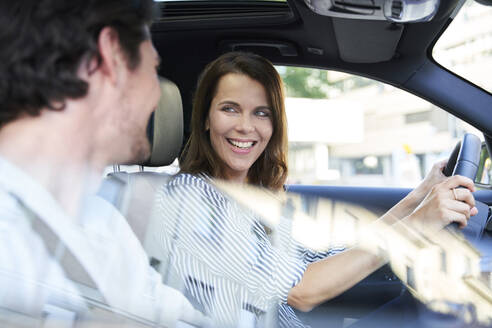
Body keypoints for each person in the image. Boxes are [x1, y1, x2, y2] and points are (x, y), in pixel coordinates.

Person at [153, 52, 478, 327]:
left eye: (261, 113)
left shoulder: (253, 196)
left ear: (273, 124)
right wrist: (416, 227)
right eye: (230, 108)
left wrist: (418, 198)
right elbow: (302, 290)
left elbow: (322, 258)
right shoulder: (190, 198)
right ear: (206, 118)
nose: (245, 126)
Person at [0, 1, 207, 326]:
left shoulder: (105, 223)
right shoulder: (10, 244)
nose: (157, 96)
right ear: (111, 55)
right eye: (155, 70)